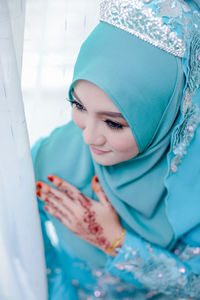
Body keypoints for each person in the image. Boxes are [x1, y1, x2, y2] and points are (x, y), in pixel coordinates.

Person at [33, 0, 200, 299]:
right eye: (79, 106)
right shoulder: (54, 154)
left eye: (113, 123)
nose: (88, 138)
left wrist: (116, 242)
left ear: (165, 116)